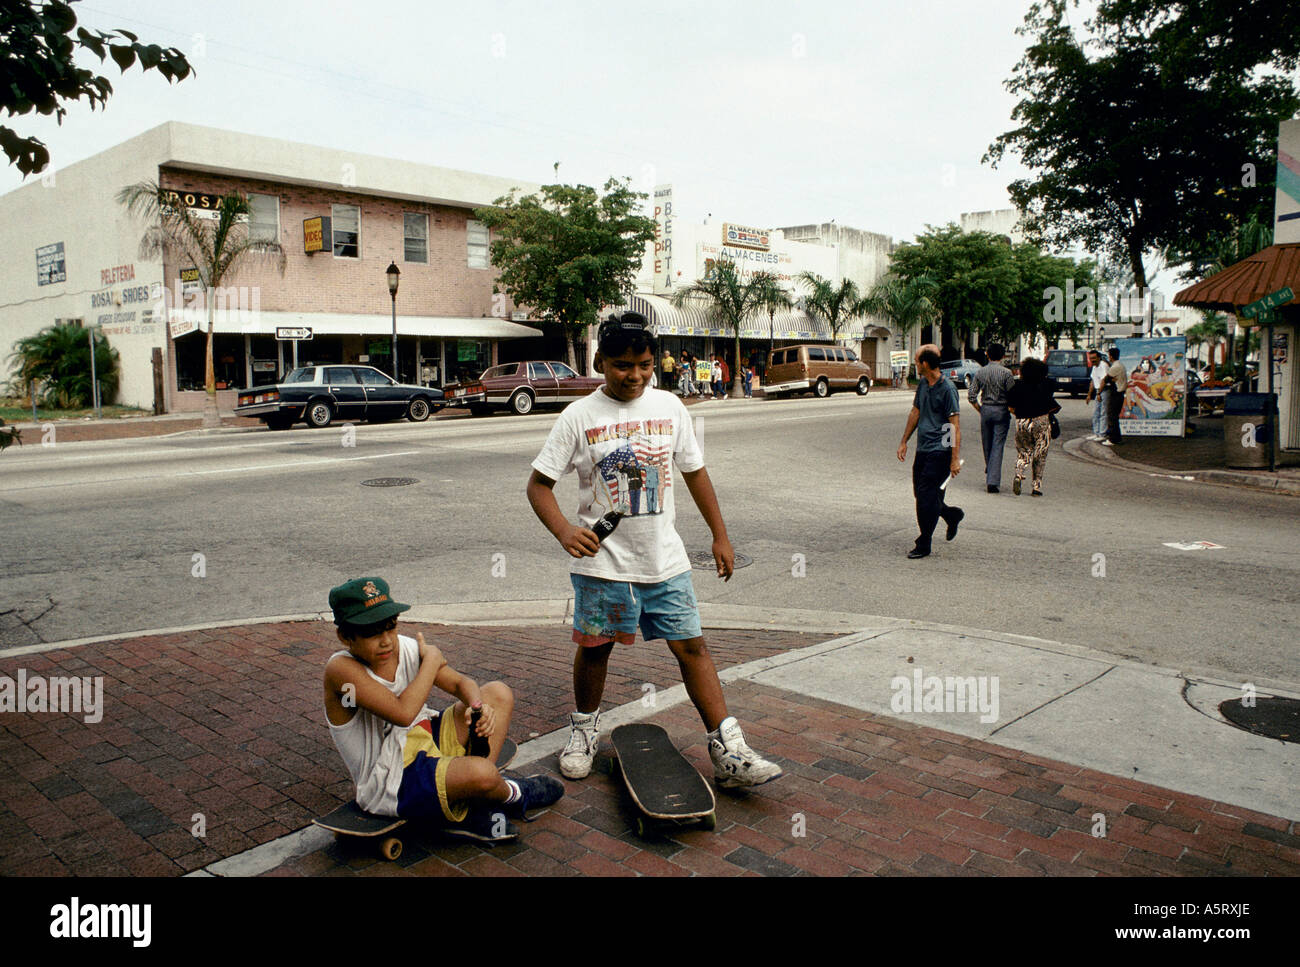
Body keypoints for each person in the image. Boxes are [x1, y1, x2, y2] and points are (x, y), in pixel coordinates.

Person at [525, 311, 782, 788]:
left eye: (644, 364)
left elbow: (695, 473)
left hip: (666, 562)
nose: (635, 375)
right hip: (603, 565)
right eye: (623, 365)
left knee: (693, 647)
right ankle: (583, 730)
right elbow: (538, 485)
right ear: (600, 361)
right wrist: (563, 530)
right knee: (595, 649)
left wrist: (720, 535)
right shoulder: (578, 417)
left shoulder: (670, 407)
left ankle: (728, 747)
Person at [323, 576, 563, 842]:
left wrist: (477, 706)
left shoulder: (402, 647)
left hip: (423, 741)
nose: (386, 641)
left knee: (498, 693)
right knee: (484, 774)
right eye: (372, 632)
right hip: (390, 780)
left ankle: (473, 800)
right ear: (345, 636)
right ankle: (513, 794)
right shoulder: (340, 670)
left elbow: (461, 682)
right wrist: (431, 661)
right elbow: (403, 714)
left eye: (390, 627)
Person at [896, 346, 963, 559]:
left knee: (926, 498)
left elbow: (954, 426)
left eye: (917, 362)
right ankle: (951, 514)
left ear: (925, 364)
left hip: (940, 450)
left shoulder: (948, 389)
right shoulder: (924, 385)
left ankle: (924, 542)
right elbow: (916, 412)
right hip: (923, 448)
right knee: (922, 495)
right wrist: (904, 441)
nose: (916, 366)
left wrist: (954, 459)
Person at [1005, 356, 1060, 496]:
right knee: (1040, 454)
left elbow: (1010, 407)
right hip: (1041, 420)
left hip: (1022, 420)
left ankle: (1019, 474)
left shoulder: (1017, 386)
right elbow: (1052, 402)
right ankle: (1036, 487)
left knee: (1023, 451)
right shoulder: (1045, 385)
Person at [967, 343, 1016, 493]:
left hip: (986, 409)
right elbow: (1012, 395)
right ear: (1003, 356)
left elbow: (971, 395)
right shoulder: (1007, 373)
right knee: (998, 444)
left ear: (987, 355)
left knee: (987, 444)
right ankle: (993, 480)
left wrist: (980, 410)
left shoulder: (980, 372)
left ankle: (990, 470)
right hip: (1001, 410)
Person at [1103, 346, 1127, 446]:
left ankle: (1113, 439)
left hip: (1116, 393)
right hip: (1120, 393)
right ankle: (1116, 437)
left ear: (1111, 356)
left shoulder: (1115, 367)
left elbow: (1106, 379)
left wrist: (1111, 380)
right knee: (1114, 416)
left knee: (1111, 416)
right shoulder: (1121, 365)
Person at [1084, 348, 1109, 441]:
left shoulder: (1103, 365)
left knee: (1103, 412)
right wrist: (1089, 394)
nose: (1092, 360)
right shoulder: (1094, 367)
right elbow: (1093, 381)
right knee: (1096, 412)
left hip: (1105, 390)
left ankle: (1102, 434)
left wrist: (1099, 393)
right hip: (1098, 390)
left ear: (1099, 358)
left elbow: (1104, 380)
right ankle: (1096, 432)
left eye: (1094, 358)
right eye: (1091, 358)